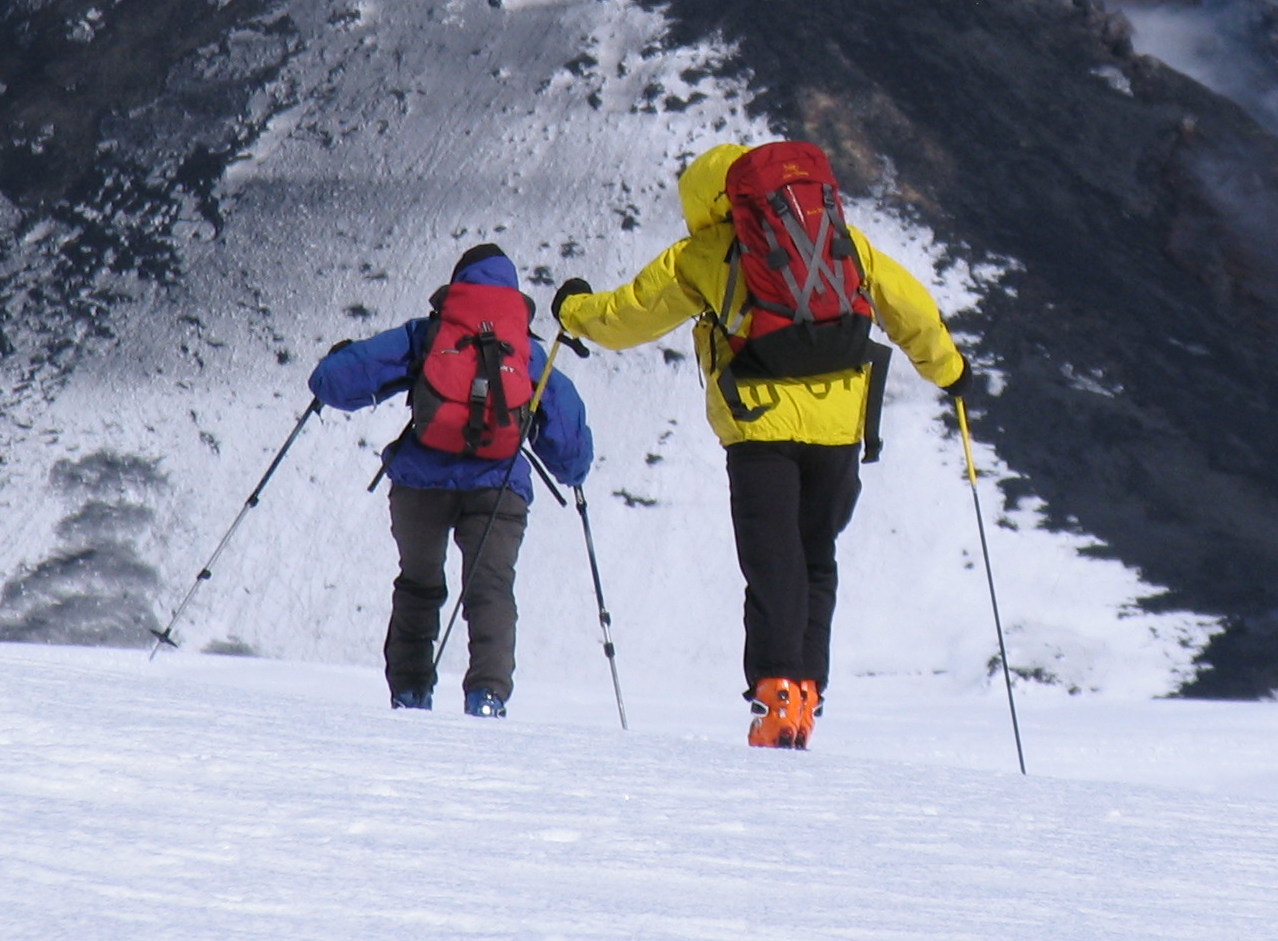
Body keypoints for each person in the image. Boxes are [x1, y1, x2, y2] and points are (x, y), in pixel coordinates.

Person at [552, 142, 969, 750]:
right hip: (839, 432)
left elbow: (628, 315)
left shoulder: (709, 252)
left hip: (761, 428)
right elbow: (911, 309)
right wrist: (951, 371)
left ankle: (775, 694)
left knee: (773, 563)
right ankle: (803, 695)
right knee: (814, 555)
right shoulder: (842, 241)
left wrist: (572, 310)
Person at [311, 243, 593, 716]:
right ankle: (487, 696)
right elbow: (568, 446)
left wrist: (334, 362)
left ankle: (410, 692)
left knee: (419, 583)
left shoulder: (426, 335)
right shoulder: (527, 352)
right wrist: (575, 471)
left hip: (421, 480)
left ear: (458, 285)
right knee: (491, 589)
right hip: (499, 486)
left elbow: (335, 383)